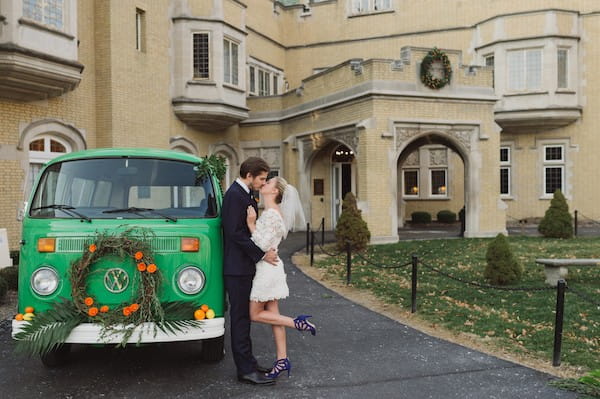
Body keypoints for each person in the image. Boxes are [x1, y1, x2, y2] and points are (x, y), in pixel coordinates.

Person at [246, 176, 316, 379]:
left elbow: (262, 245)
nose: (264, 184)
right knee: (273, 315)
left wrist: (251, 224)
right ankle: (282, 360)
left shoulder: (272, 215)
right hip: (271, 267)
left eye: (268, 183)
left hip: (267, 269)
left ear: (274, 192)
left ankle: (298, 322)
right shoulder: (272, 213)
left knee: (255, 314)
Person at [221, 157, 279, 385]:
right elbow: (235, 233)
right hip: (236, 269)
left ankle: (250, 363)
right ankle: (245, 370)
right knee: (240, 319)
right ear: (249, 175)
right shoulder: (235, 195)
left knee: (244, 319)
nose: (263, 183)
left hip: (243, 266)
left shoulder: (244, 193)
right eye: (261, 178)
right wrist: (262, 254)